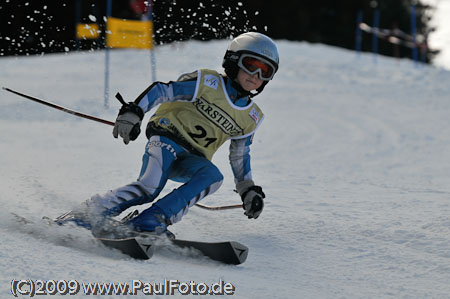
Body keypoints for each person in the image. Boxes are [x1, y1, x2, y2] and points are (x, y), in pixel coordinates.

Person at [58, 32, 280, 236]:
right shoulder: (208, 83)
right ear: (233, 60)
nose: (255, 75)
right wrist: (134, 111)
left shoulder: (251, 117)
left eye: (265, 71)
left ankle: (151, 221)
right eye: (250, 65)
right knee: (149, 188)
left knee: (213, 177)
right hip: (167, 140)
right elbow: (163, 91)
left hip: (192, 160)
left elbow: (240, 156)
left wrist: (247, 189)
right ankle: (87, 213)